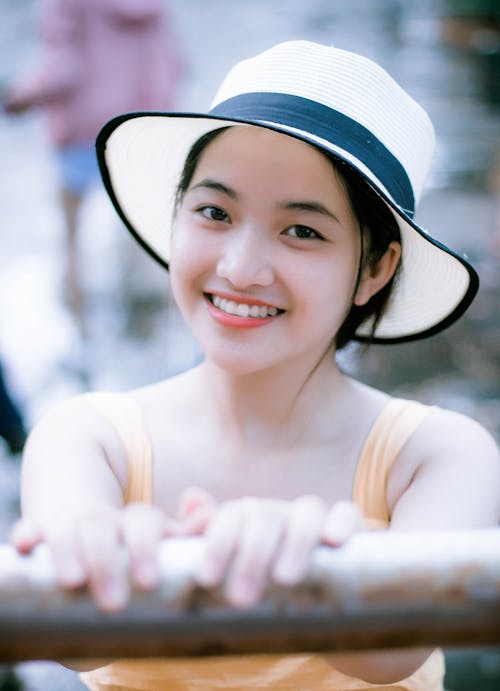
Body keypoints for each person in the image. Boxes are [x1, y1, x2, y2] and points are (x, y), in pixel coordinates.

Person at [10, 41, 500, 690]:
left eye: (303, 230)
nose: (239, 268)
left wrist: (293, 561)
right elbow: (67, 634)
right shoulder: (88, 439)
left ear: (376, 268)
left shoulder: (437, 454)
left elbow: (386, 653)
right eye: (214, 211)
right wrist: (108, 548)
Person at [3, 0, 185, 337]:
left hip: (83, 132)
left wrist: (20, 96)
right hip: (138, 129)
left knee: (72, 237)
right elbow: (173, 62)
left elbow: (63, 67)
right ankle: (143, 321)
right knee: (138, 228)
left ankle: (78, 325)